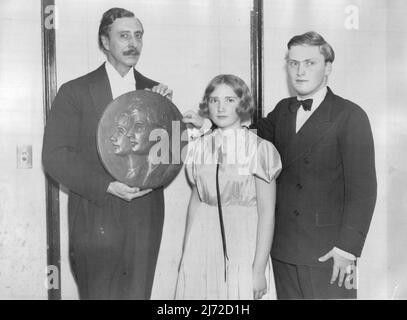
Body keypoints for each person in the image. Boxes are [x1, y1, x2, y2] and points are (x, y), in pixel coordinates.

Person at [184, 31, 377, 299]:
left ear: (328, 67)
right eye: (293, 63)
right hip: (283, 250)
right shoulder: (283, 110)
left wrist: (348, 249)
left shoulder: (350, 115)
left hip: (329, 253)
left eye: (309, 63)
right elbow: (245, 133)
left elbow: (364, 192)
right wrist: (206, 124)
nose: (299, 71)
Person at [42, 7, 173, 299]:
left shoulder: (156, 92)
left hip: (144, 217)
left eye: (138, 36)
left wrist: (168, 117)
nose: (133, 43)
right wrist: (107, 186)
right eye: (124, 35)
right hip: (95, 213)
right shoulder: (74, 91)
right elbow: (55, 156)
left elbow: (168, 159)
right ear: (105, 42)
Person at [175, 74, 282, 300]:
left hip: (245, 242)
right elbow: (196, 200)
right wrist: (187, 254)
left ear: (242, 104)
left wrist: (259, 269)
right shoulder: (199, 147)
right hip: (203, 241)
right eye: (214, 100)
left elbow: (266, 213)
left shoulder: (260, 149)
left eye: (230, 100)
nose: (221, 107)